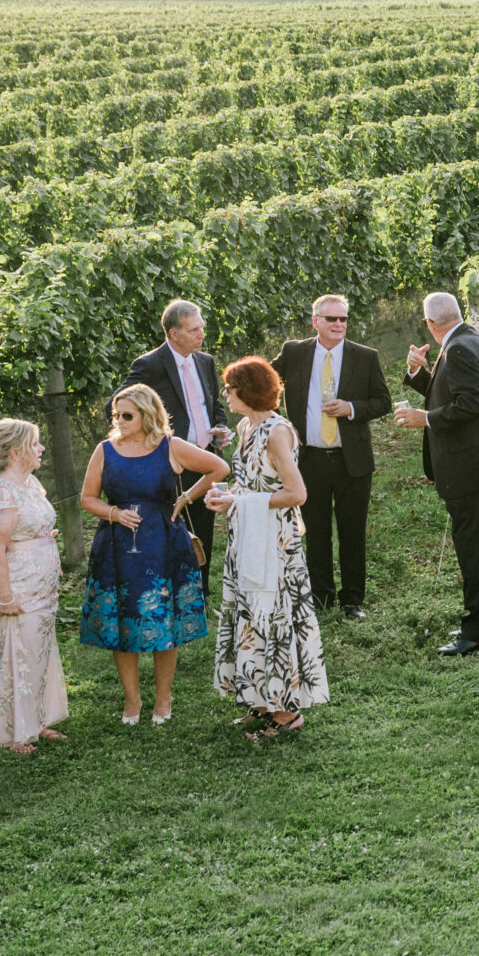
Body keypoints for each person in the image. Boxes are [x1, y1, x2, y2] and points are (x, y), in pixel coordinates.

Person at [79, 383, 226, 724]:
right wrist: (114, 513)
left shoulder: (170, 447)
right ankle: (132, 701)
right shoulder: (105, 450)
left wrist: (186, 497)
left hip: (163, 545)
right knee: (120, 622)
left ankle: (163, 699)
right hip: (116, 547)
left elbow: (218, 468)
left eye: (127, 415)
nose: (119, 421)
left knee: (165, 620)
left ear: (148, 415)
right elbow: (88, 498)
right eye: (115, 415)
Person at [207, 355, 326, 742]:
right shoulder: (244, 426)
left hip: (276, 542)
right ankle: (261, 698)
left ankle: (288, 712)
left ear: (250, 390)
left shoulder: (277, 431)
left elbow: (297, 493)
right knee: (249, 614)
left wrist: (243, 502)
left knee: (274, 615)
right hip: (247, 535)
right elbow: (250, 483)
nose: (226, 394)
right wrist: (228, 499)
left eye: (230, 388)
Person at [394, 292, 479, 656]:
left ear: (431, 325)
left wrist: (426, 419)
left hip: (473, 467)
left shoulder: (459, 349)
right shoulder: (469, 339)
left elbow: (471, 403)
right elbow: (453, 391)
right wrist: (420, 372)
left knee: (474, 551)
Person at [271, 293, 391, 620]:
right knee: (316, 531)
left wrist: (351, 408)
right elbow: (263, 383)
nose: (339, 324)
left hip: (351, 460)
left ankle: (353, 601)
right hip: (308, 459)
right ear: (316, 321)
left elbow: (383, 402)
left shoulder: (364, 357)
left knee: (352, 531)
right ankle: (320, 597)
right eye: (331, 319)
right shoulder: (294, 352)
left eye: (343, 319)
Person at [0, 418, 68, 755]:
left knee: (38, 652)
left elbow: (28, 526)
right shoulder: (2, 491)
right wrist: (7, 598)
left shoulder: (28, 483)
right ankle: (15, 735)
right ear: (16, 452)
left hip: (40, 587)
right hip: (16, 590)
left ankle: (37, 722)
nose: (41, 448)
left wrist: (44, 539)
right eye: (35, 444)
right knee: (19, 656)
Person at [127, 300, 235, 584]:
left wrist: (220, 427)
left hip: (207, 460)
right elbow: (119, 406)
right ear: (174, 333)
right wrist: (151, 438)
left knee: (204, 528)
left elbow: (212, 406)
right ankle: (172, 594)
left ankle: (199, 596)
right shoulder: (149, 365)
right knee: (173, 529)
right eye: (194, 330)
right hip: (170, 463)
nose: (201, 335)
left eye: (202, 328)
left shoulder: (205, 361)